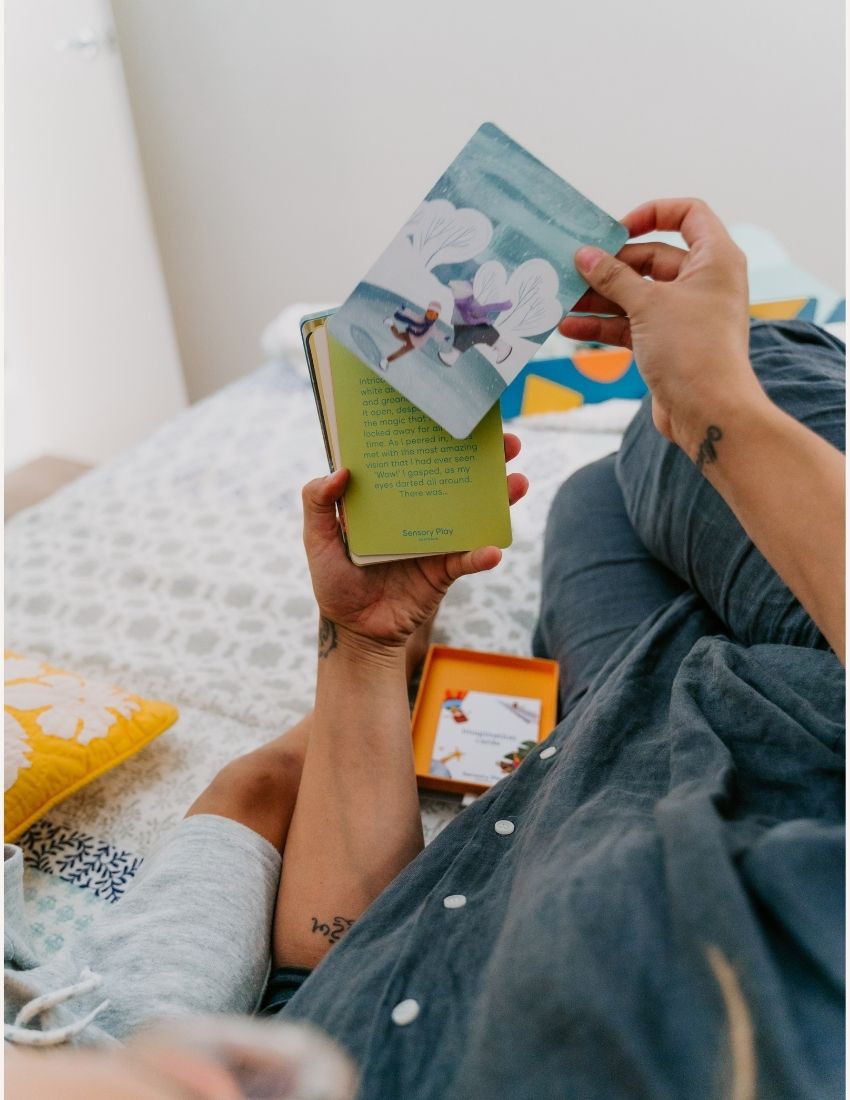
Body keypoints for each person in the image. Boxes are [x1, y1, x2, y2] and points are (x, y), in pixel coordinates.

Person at [7, 196, 844, 1100]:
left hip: (604, 749)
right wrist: (716, 403)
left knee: (601, 496)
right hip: (799, 743)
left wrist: (371, 641)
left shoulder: (235, 1054)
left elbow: (334, 960)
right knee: (693, 416)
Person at [4, 439, 528, 1096]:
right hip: (106, 1047)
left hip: (43, 1020)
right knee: (325, 986)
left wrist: (366, 642)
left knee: (254, 785)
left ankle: (379, 645)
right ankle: (380, 649)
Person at [379, 301, 443, 370]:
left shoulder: (433, 327)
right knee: (397, 337)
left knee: (400, 351)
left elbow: (437, 333)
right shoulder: (421, 318)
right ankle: (391, 323)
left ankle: (386, 361)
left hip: (414, 343)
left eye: (433, 315)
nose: (430, 317)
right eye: (430, 314)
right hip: (410, 336)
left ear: (436, 317)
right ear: (426, 312)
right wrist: (405, 310)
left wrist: (444, 337)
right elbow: (412, 315)